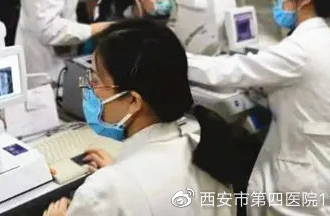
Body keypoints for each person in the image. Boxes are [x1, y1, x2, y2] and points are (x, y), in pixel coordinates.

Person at [187, 0, 330, 214]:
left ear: (304, 1)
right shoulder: (326, 43)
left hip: (311, 174)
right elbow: (306, 93)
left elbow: (230, 71)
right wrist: (265, 92)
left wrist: (177, 57)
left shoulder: (301, 50)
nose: (278, 4)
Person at [44, 19, 234, 216]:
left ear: (134, 101)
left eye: (96, 81)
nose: (89, 89)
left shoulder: (99, 194)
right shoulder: (207, 151)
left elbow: (125, 194)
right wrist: (120, 174)